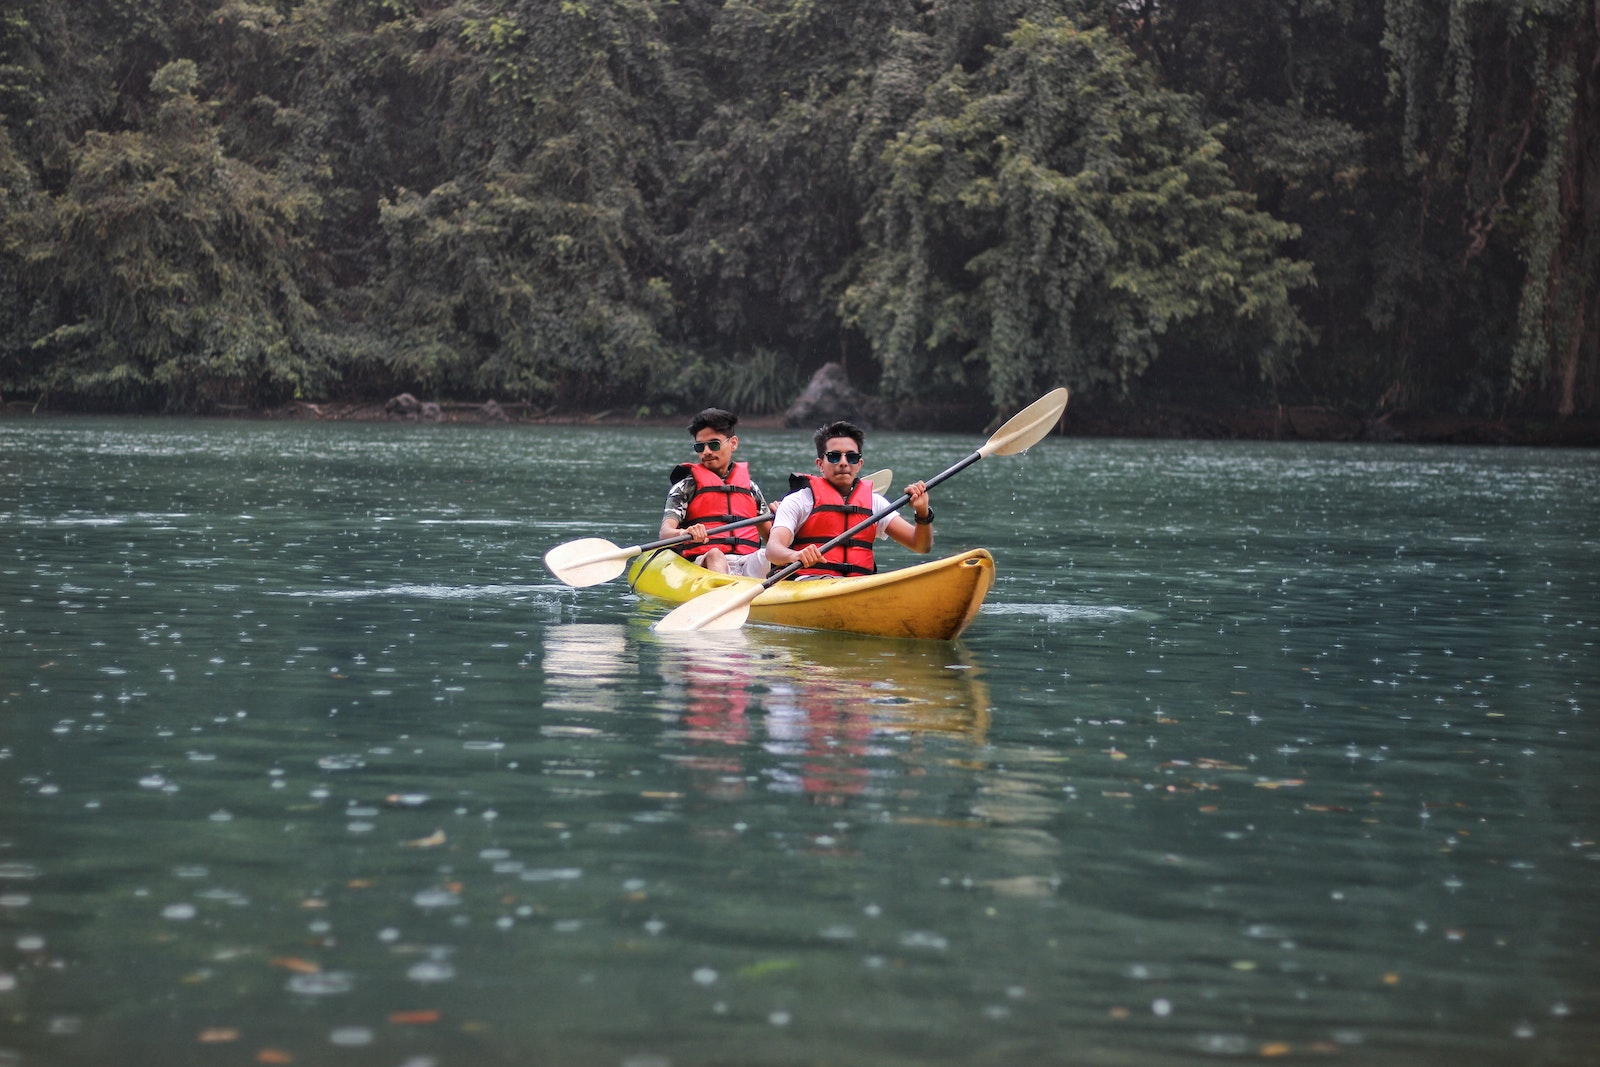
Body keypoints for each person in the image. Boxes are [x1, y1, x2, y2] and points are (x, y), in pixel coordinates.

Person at [766, 420, 933, 578]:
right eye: (834, 456)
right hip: (808, 583)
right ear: (820, 464)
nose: (844, 463)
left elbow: (920, 545)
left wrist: (923, 512)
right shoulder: (799, 501)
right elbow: (773, 550)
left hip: (859, 584)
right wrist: (795, 555)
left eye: (851, 457)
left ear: (859, 464)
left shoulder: (875, 503)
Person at [659, 408, 772, 577]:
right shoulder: (686, 487)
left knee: (770, 555)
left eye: (713, 444)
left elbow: (772, 538)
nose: (706, 452)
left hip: (746, 561)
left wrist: (783, 519)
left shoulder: (750, 489)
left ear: (733, 443)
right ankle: (723, 591)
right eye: (699, 446)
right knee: (715, 554)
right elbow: (665, 533)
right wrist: (685, 533)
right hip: (704, 563)